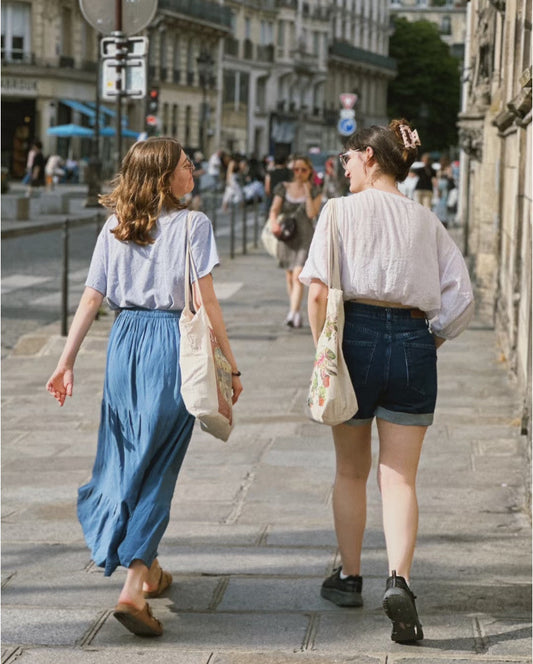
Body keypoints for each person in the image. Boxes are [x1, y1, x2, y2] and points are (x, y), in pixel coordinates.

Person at [45, 137, 243, 637]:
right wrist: (230, 365)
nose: (193, 169)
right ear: (163, 178)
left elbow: (92, 298)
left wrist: (65, 362)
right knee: (157, 466)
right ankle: (134, 585)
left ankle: (149, 570)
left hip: (123, 344)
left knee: (125, 455)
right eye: (184, 165)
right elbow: (207, 303)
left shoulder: (114, 227)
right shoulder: (193, 225)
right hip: (169, 346)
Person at [299, 119, 474, 643]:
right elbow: (461, 299)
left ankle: (350, 577)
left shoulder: (338, 211)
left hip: (354, 339)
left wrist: (323, 353)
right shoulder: (427, 221)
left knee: (352, 470)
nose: (344, 166)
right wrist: (427, 342)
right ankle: (399, 579)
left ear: (370, 157)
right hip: (415, 341)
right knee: (399, 476)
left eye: (349, 157)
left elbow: (316, 293)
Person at [268, 155, 322, 328]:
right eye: (296, 169)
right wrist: (273, 223)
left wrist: (307, 192)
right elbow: (274, 209)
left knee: (298, 275)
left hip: (306, 237)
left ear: (309, 171)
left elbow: (311, 213)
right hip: (287, 235)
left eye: (303, 170)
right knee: (290, 276)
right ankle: (296, 312)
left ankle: (292, 314)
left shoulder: (315, 189)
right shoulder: (283, 188)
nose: (299, 173)